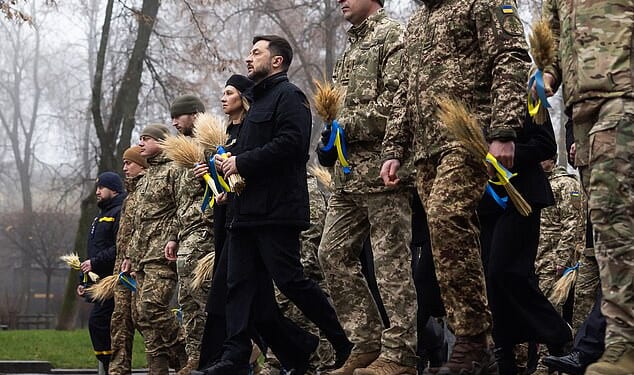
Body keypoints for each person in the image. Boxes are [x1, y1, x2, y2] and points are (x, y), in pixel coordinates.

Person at [380, 0, 534, 372]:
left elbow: (510, 57)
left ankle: (473, 340)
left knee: (448, 219)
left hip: (468, 138)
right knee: (448, 242)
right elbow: (406, 92)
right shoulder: (417, 22)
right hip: (425, 151)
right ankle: (485, 346)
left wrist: (503, 130)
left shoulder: (483, 3)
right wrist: (394, 148)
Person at [202, 35, 352, 375]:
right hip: (244, 213)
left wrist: (241, 162)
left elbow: (293, 145)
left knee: (290, 281)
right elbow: (250, 152)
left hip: (277, 212)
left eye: (256, 53)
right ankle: (236, 354)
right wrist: (230, 164)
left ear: (277, 61)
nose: (248, 58)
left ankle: (342, 342)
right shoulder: (256, 104)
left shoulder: (289, 97)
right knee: (238, 285)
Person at [315, 1, 417, 374]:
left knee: (391, 264)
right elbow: (340, 110)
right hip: (347, 177)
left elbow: (399, 103)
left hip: (384, 173)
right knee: (331, 253)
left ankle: (401, 355)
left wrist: (349, 126)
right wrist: (331, 136)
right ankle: (367, 343)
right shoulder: (351, 46)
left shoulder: (393, 35)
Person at [541, 0, 633, 371]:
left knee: (618, 226)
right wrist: (547, 76)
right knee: (607, 235)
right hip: (582, 113)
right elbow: (553, 36)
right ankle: (617, 343)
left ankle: (622, 345)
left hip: (623, 99)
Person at [478, 112, 572, 374]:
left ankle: (558, 333)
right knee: (492, 282)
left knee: (506, 272)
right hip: (485, 201)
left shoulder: (526, 88)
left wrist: (508, 152)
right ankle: (505, 354)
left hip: (521, 196)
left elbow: (545, 145)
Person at [122, 124, 187, 375]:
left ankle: (184, 350)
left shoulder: (174, 170)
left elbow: (179, 209)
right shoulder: (148, 176)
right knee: (142, 317)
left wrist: (173, 238)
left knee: (152, 305)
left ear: (161, 142)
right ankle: (157, 369)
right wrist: (130, 255)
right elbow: (139, 222)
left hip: (161, 254)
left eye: (146, 139)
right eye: (139, 138)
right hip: (141, 257)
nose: (141, 144)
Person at [168, 94, 215, 375]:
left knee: (205, 294)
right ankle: (197, 356)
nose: (174, 122)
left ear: (195, 115)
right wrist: (173, 236)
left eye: (179, 116)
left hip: (206, 230)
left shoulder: (210, 144)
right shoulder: (182, 153)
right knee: (186, 299)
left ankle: (236, 347)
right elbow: (180, 202)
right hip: (185, 231)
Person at [77, 171, 127, 374]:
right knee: (100, 323)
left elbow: (119, 247)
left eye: (101, 187)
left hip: (114, 281)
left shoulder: (118, 212)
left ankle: (109, 366)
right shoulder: (100, 216)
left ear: (113, 189)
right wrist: (85, 282)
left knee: (98, 322)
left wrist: (95, 262)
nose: (97, 191)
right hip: (99, 282)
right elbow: (94, 250)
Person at [109, 146, 148, 375]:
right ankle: (118, 371)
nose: (125, 168)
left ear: (141, 165)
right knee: (120, 323)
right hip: (121, 268)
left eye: (129, 163)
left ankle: (184, 358)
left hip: (138, 266)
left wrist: (134, 260)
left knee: (145, 319)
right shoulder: (129, 196)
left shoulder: (145, 192)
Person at [535, 155, 585, 312]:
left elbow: (572, 224)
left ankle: (555, 336)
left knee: (549, 305)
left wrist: (562, 260)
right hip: (536, 257)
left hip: (553, 258)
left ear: (552, 159)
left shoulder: (566, 184)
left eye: (543, 157)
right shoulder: (538, 182)